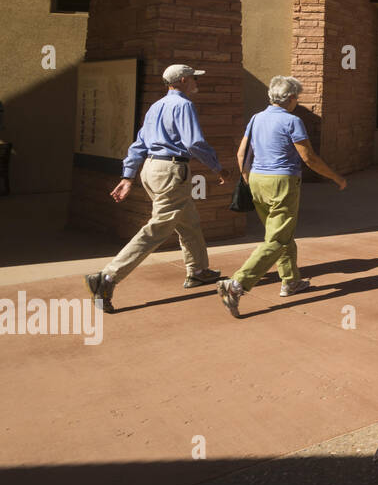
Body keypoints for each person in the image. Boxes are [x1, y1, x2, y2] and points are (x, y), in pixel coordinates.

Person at [84, 64, 226, 312]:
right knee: (158, 228)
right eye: (193, 78)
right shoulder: (183, 105)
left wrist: (128, 176)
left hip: (152, 169)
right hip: (171, 170)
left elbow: (139, 143)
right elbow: (194, 142)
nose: (196, 82)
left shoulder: (156, 107)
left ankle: (198, 271)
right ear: (182, 80)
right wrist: (217, 167)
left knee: (188, 221)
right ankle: (107, 277)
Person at [217, 76, 347, 318]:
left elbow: (241, 153)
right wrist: (335, 177)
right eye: (296, 96)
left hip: (257, 180)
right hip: (282, 183)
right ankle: (236, 284)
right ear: (291, 98)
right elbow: (309, 158)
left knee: (280, 233)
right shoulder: (293, 121)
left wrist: (248, 179)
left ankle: (291, 281)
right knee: (277, 240)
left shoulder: (256, 118)